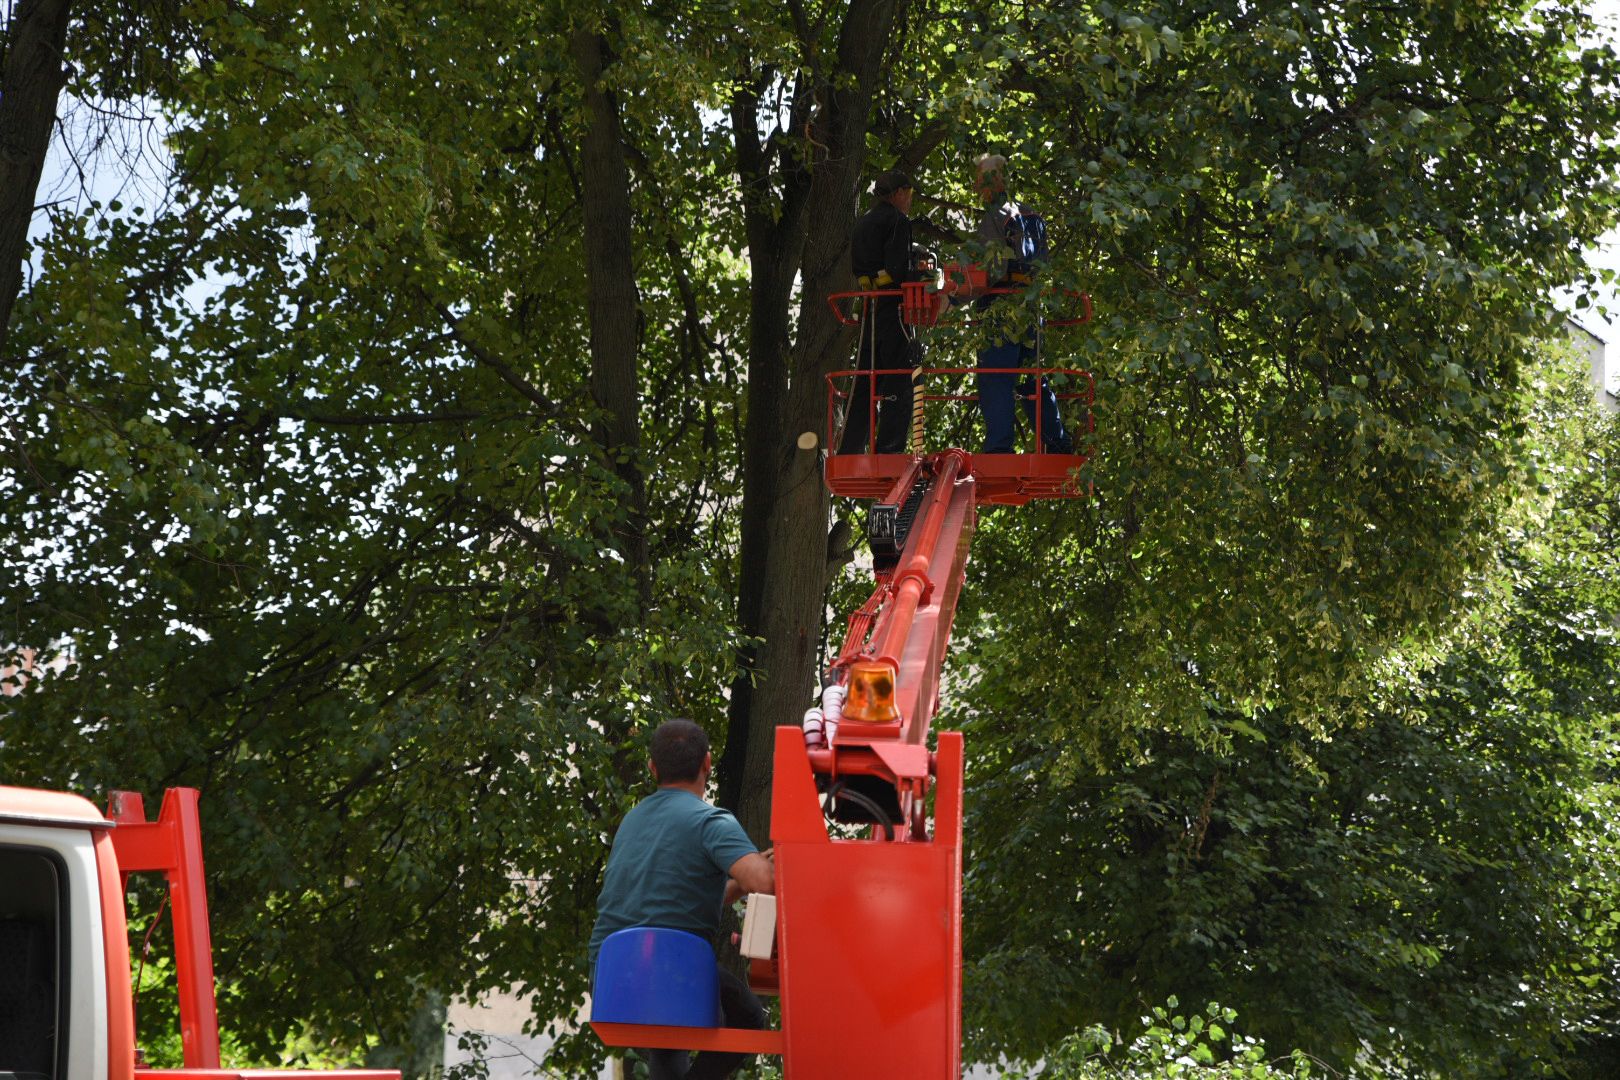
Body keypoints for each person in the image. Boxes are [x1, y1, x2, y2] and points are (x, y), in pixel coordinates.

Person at [589, 719, 775, 1080]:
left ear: (652, 768)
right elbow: (765, 883)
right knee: (749, 1019)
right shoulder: (710, 822)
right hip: (672, 972)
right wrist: (770, 865)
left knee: (668, 1040)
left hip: (610, 974)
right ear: (707, 763)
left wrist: (734, 885)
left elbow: (675, 903)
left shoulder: (632, 821)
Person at [971, 153, 1072, 454]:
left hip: (1001, 311)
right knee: (1032, 381)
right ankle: (1057, 444)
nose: (978, 190)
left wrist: (956, 294)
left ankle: (999, 449)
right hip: (1031, 309)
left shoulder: (995, 216)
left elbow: (991, 270)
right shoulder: (1031, 216)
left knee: (995, 379)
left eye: (981, 182)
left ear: (995, 181)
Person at [838, 169, 928, 455]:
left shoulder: (863, 223)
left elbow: (860, 268)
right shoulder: (898, 221)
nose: (910, 201)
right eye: (909, 194)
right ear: (899, 193)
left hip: (870, 310)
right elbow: (898, 269)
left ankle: (851, 446)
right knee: (898, 378)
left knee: (865, 377)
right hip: (893, 310)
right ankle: (889, 448)